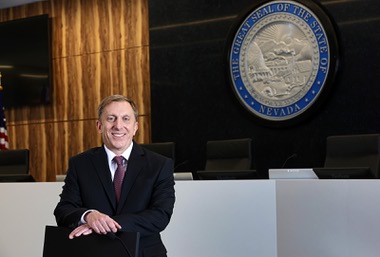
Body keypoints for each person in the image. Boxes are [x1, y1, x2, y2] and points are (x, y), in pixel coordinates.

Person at [54, 95, 175, 257]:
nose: (118, 126)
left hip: (144, 253)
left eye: (126, 119)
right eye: (111, 119)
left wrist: (104, 224)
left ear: (135, 127)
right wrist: (88, 216)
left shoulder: (160, 165)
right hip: (94, 252)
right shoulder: (80, 164)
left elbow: (160, 215)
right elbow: (63, 210)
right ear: (99, 126)